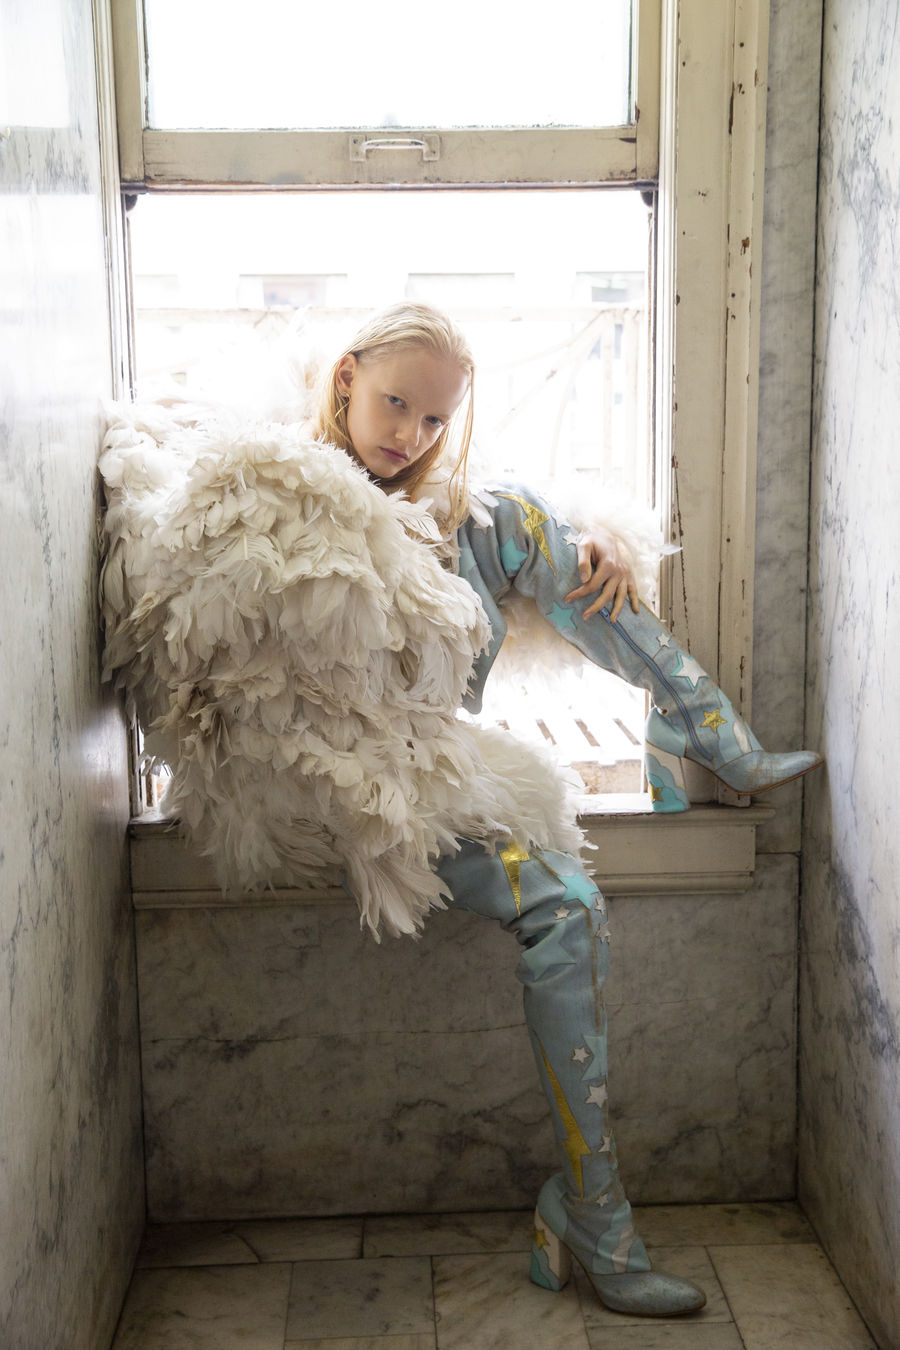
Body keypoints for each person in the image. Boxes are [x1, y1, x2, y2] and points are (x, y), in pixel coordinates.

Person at [301, 302, 822, 1316]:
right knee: (568, 906)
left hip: (436, 767)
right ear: (347, 376)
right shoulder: (289, 498)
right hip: (356, 789)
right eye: (396, 403)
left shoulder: (451, 513)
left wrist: (595, 542)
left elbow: (503, 523)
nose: (411, 434)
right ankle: (596, 1216)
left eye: (435, 419)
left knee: (521, 520)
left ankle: (699, 725)